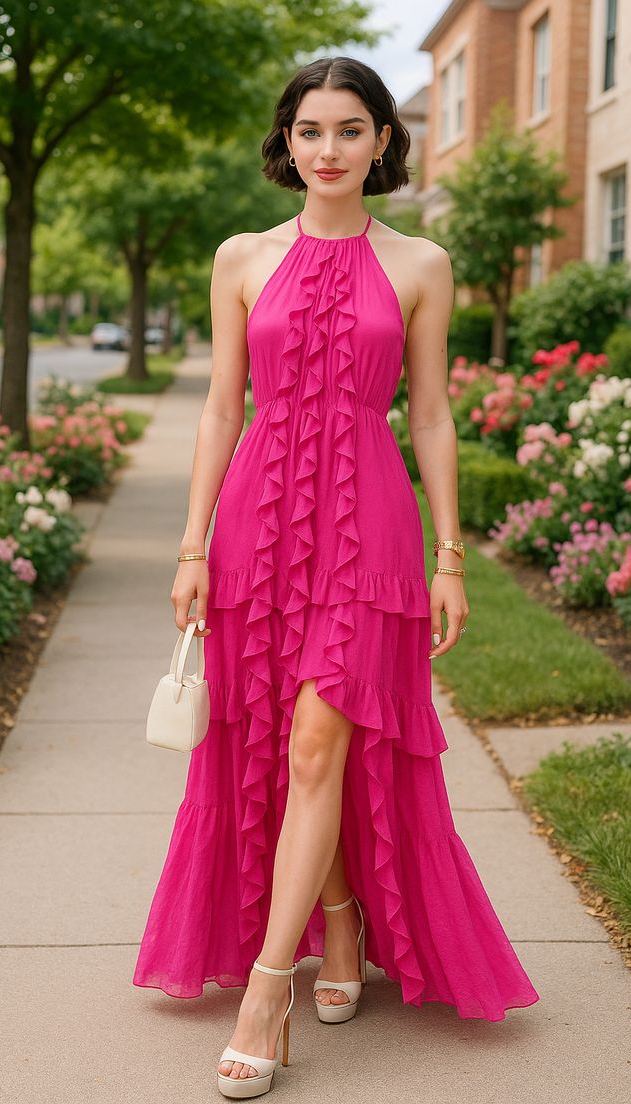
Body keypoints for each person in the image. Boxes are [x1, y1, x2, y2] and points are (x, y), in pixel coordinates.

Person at [132, 55, 540, 1100]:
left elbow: (434, 416)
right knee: (280, 739)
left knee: (321, 739)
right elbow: (223, 409)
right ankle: (343, 922)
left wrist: (451, 556)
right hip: (257, 533)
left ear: (382, 144)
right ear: (286, 140)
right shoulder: (240, 258)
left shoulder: (421, 264)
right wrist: (190, 545)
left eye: (350, 130)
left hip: (370, 532)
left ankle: (269, 989)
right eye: (310, 130)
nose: (328, 149)